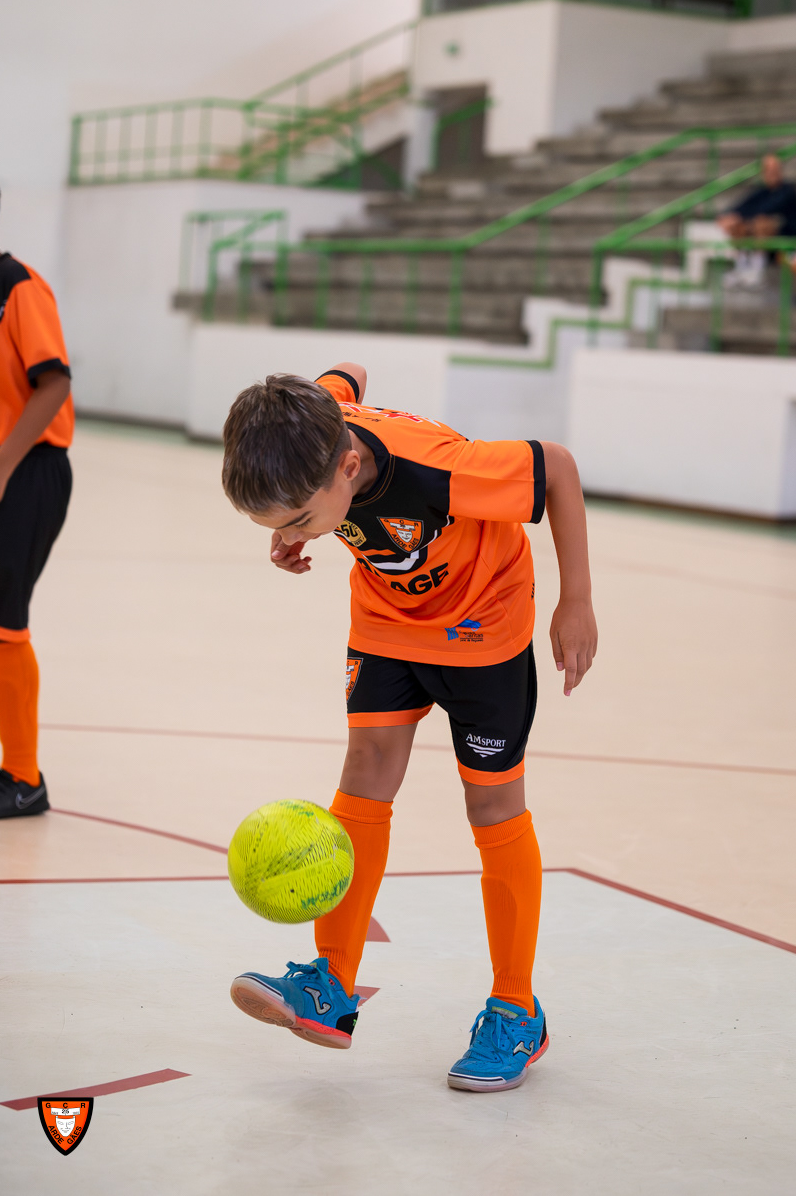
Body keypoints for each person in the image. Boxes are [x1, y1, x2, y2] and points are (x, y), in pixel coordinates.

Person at [220, 367, 598, 1091]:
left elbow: (558, 467)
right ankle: (331, 985)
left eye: (297, 519)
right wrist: (292, 532)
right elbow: (345, 378)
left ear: (348, 467)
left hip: (483, 628)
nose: (291, 533)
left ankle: (517, 1010)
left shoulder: (442, 469)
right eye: (275, 526)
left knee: (492, 806)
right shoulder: (318, 427)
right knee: (364, 772)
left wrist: (575, 599)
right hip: (388, 623)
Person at [0, 182, 73, 820]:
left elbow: (53, 384)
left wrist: (2, 465)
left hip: (27, 469)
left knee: (2, 621)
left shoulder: (18, 286)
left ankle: (24, 778)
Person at [718, 154, 796, 285]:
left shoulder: (788, 191)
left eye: (774, 170)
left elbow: (767, 209)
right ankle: (742, 266)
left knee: (762, 222)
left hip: (786, 240)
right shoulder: (761, 191)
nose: (771, 174)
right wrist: (730, 217)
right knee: (736, 225)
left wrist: (741, 216)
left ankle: (757, 269)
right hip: (762, 242)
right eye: (768, 170)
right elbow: (742, 206)